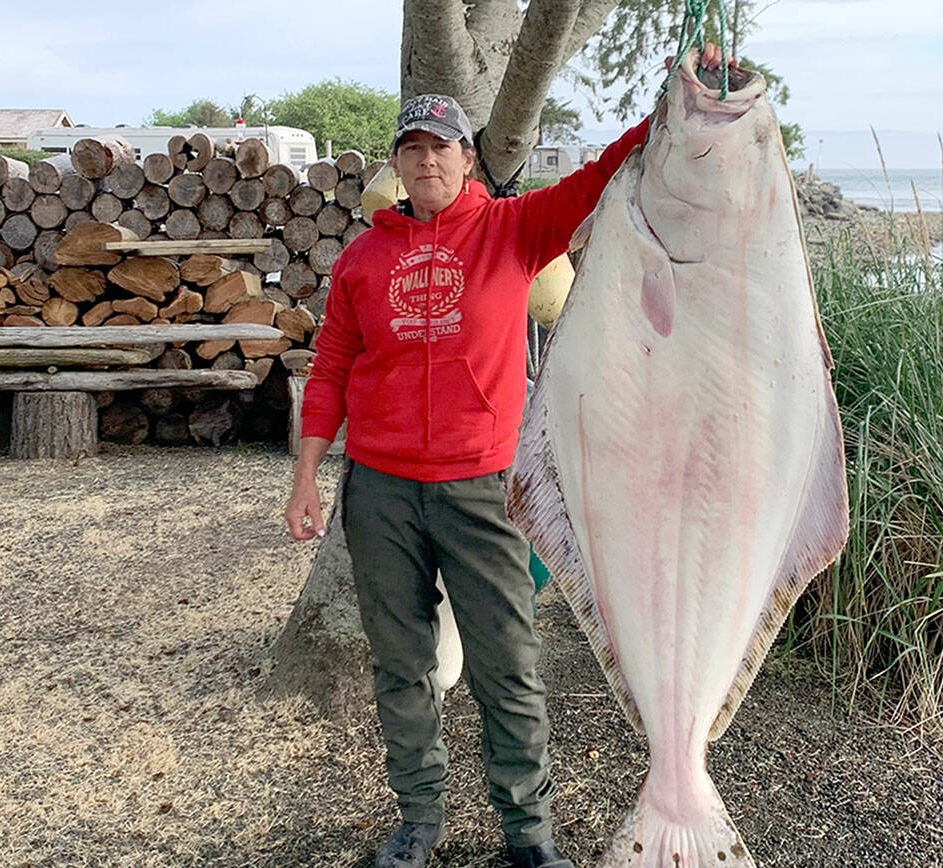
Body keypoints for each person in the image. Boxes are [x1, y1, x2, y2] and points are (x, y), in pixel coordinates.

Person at [286, 45, 728, 868]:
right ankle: (419, 817)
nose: (426, 160)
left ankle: (528, 834)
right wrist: (308, 474)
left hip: (482, 490)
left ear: (466, 160)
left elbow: (599, 177)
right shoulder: (361, 260)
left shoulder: (512, 231)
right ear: (397, 163)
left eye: (440, 148)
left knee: (509, 669)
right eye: (411, 148)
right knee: (403, 666)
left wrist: (677, 102)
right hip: (379, 491)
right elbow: (332, 372)